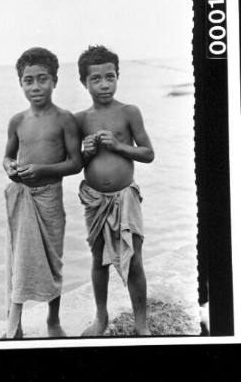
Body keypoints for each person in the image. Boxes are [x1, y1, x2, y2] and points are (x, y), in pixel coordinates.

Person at [75, 45, 155, 336]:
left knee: (134, 261)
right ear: (84, 82)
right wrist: (85, 151)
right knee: (99, 261)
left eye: (110, 76)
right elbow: (74, 164)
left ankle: (141, 323)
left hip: (125, 199)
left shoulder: (129, 112)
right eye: (96, 79)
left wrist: (119, 145)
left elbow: (148, 153)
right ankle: (101, 317)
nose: (104, 84)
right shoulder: (80, 119)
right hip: (95, 201)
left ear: (118, 76)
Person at [3, 47, 82, 338]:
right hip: (23, 196)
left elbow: (75, 163)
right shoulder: (17, 121)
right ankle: (15, 324)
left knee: (53, 259)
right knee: (19, 260)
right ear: (21, 83)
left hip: (50, 197)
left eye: (42, 79)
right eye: (28, 80)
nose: (36, 86)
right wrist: (11, 167)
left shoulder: (64, 119)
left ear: (55, 80)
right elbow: (7, 156)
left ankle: (53, 319)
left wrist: (43, 170)